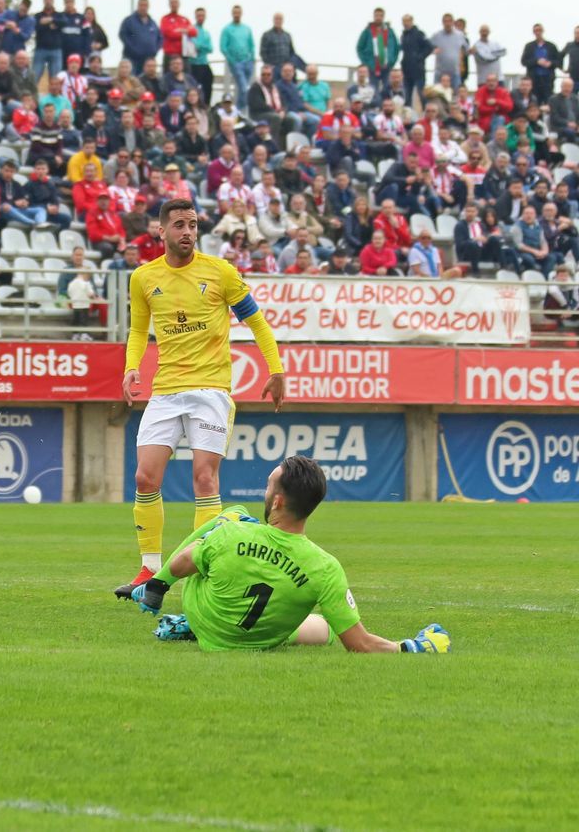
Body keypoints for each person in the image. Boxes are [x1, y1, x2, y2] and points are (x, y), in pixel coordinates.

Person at [118, 198, 286, 600]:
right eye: (179, 224)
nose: (188, 232)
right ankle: (149, 569)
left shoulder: (220, 272)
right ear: (161, 231)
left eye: (193, 224)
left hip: (210, 390)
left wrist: (276, 369)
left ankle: (201, 572)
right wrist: (131, 366)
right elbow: (139, 330)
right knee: (144, 477)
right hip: (165, 390)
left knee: (204, 478)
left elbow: (256, 321)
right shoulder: (143, 278)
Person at [129, 456, 451, 653]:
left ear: (278, 502)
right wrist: (409, 647)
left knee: (232, 514)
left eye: (269, 485)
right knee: (325, 628)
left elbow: (184, 562)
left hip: (207, 623)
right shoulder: (326, 567)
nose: (266, 490)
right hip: (261, 639)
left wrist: (167, 578)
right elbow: (360, 643)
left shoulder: (233, 532)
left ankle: (156, 588)